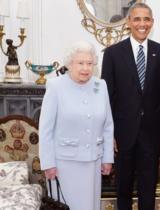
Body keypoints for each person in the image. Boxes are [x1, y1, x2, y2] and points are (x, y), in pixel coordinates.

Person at [101, 3, 160, 210]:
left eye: (146, 19)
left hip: (152, 132)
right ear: (128, 23)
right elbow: (106, 98)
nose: (142, 24)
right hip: (123, 133)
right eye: (137, 19)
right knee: (122, 187)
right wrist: (109, 133)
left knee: (148, 187)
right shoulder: (113, 53)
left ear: (152, 22)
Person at [39, 41, 114, 210]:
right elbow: (46, 129)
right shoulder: (55, 86)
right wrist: (48, 163)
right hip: (63, 164)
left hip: (93, 162)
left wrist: (107, 158)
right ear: (69, 64)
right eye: (80, 63)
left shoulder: (100, 85)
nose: (85, 68)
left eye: (89, 63)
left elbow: (108, 125)